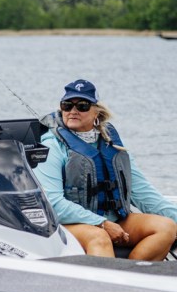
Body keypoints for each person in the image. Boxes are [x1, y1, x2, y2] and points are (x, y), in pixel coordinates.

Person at [34, 79, 177, 261]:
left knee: (166, 227)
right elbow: (52, 203)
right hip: (70, 224)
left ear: (97, 112)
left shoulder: (111, 144)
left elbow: (144, 193)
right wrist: (101, 223)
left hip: (113, 219)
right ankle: (107, 279)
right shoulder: (52, 146)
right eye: (67, 105)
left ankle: (130, 274)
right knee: (99, 237)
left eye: (82, 106)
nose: (73, 111)